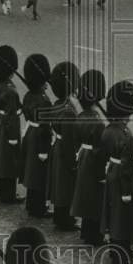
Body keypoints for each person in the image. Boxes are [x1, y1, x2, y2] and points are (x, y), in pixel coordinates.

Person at [100, 81, 133, 264]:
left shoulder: (107, 130)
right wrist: (127, 190)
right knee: (123, 218)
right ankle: (124, 256)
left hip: (110, 174)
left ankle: (114, 252)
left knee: (112, 215)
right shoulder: (126, 135)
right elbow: (128, 167)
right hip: (121, 179)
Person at [70, 69, 107, 245]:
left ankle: (86, 232)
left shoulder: (80, 117)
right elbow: (101, 150)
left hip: (82, 157)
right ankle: (94, 235)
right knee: (96, 200)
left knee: (85, 196)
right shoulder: (98, 122)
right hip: (93, 160)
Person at [47, 61, 81, 232]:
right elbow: (70, 139)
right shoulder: (68, 108)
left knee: (60, 184)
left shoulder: (58, 103)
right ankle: (64, 219)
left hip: (58, 146)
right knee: (65, 186)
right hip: (64, 149)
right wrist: (73, 160)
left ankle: (60, 216)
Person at [20, 54, 53, 220]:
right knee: (39, 174)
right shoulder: (44, 100)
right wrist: (44, 149)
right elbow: (46, 127)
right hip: (39, 138)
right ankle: (38, 207)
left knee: (31, 171)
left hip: (30, 134)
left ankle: (30, 203)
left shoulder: (28, 95)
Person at [0, 45, 22, 204]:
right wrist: (14, 137)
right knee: (10, 161)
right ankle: (8, 194)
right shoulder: (10, 90)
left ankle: (2, 189)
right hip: (8, 128)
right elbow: (12, 116)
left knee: (1, 159)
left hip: (0, 125)